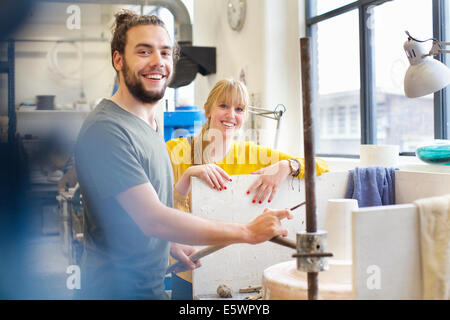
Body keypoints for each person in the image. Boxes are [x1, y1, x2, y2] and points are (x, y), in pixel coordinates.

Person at [74, 10, 293, 300]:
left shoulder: (148, 126)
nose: (158, 61)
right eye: (143, 51)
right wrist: (247, 232)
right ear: (118, 59)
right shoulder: (107, 129)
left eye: (165, 52)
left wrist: (168, 245)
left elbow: (140, 220)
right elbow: (155, 219)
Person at [166, 78, 330, 299]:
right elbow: (159, 209)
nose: (231, 115)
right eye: (223, 106)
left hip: (234, 271)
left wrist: (287, 165)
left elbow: (321, 165)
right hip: (189, 269)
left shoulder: (252, 153)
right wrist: (187, 176)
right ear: (208, 110)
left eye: (239, 109)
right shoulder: (175, 150)